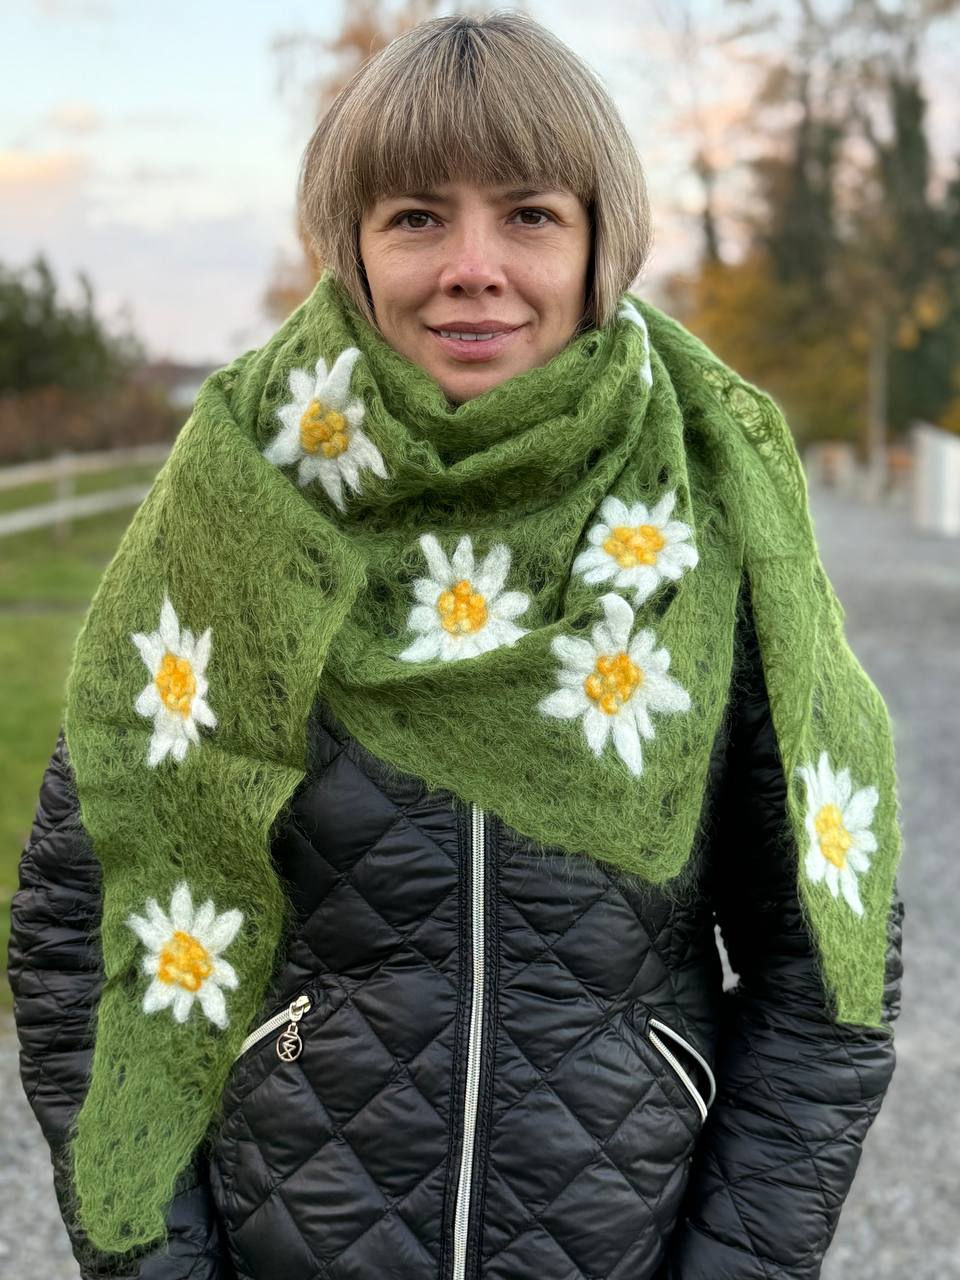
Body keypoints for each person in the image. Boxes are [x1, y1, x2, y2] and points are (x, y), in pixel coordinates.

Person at [7, 11, 904, 1280]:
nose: (472, 264)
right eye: (417, 216)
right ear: (355, 251)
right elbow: (75, 926)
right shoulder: (234, 522)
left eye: (530, 213)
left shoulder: (713, 533)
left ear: (601, 243)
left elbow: (829, 980)